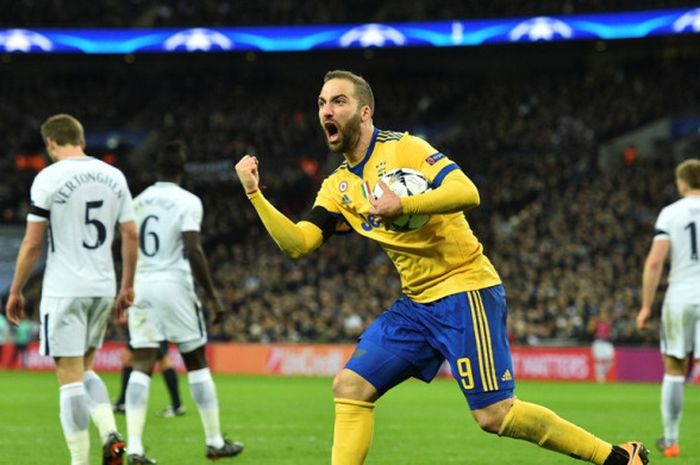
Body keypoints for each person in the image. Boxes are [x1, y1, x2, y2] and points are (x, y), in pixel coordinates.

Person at [235, 70, 649, 465]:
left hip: (465, 288)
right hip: (416, 306)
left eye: (339, 101)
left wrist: (405, 203)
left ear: (365, 112)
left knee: (495, 415)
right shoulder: (337, 186)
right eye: (322, 103)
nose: (327, 110)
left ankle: (615, 457)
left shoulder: (406, 149)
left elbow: (466, 191)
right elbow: (299, 244)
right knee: (349, 387)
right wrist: (255, 196)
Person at [5, 113, 136, 465]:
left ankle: (79, 461)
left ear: (50, 142)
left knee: (68, 378)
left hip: (64, 288)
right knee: (86, 369)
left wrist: (16, 289)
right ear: (80, 138)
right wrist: (127, 286)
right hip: (103, 287)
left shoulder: (48, 177)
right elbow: (131, 234)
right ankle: (110, 433)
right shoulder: (114, 176)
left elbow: (33, 242)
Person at [124, 141, 243, 464]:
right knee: (195, 361)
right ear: (182, 170)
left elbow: (126, 247)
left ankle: (134, 447)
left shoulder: (138, 202)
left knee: (142, 363)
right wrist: (214, 297)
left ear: (157, 170)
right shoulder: (188, 201)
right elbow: (193, 250)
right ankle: (215, 441)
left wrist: (125, 287)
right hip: (173, 284)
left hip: (141, 285)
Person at [636, 158, 700, 459]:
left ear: (682, 183)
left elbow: (655, 261)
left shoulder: (671, 213)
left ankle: (672, 441)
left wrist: (646, 306)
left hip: (681, 299)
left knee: (674, 370)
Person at [113, 338, 186, 418]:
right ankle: (177, 405)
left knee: (130, 358)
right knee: (163, 360)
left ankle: (124, 402)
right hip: (156, 331)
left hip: (147, 331)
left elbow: (120, 324)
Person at [589, 307, 615, 383]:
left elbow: (609, 332)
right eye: (602, 315)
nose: (603, 316)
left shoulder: (608, 323)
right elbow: (590, 331)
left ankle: (601, 373)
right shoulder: (596, 323)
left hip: (606, 343)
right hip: (598, 342)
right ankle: (599, 377)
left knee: (610, 361)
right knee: (599, 361)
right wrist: (592, 324)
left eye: (605, 315)